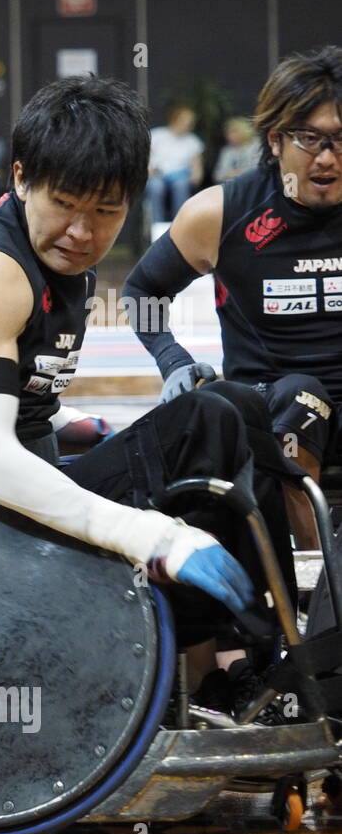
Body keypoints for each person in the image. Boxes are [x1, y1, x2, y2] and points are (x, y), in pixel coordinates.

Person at [0, 75, 301, 712]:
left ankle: (246, 657)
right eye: (65, 203)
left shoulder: (58, 258)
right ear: (19, 178)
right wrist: (154, 536)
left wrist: (73, 423)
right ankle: (240, 656)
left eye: (105, 211)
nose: (81, 230)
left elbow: (2, 389)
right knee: (205, 418)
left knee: (235, 405)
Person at [132, 46, 342, 549]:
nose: (329, 157)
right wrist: (173, 360)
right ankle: (314, 585)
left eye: (340, 140)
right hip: (275, 406)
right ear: (275, 140)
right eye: (311, 139)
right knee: (303, 395)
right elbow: (143, 290)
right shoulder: (222, 215)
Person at [144, 102, 204, 232]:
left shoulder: (193, 141)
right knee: (155, 187)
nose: (189, 124)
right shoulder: (157, 135)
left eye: (191, 121)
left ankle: (180, 228)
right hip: (157, 175)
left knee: (181, 185)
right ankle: (157, 228)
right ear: (175, 119)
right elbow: (146, 159)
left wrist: (196, 175)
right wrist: (148, 170)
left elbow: (197, 169)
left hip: (180, 177)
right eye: (186, 120)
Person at [213, 116, 260, 183]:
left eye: (234, 132)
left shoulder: (256, 147)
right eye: (228, 133)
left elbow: (259, 170)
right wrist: (230, 174)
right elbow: (217, 175)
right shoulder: (227, 151)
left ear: (244, 131)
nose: (230, 135)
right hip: (232, 186)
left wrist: (240, 172)